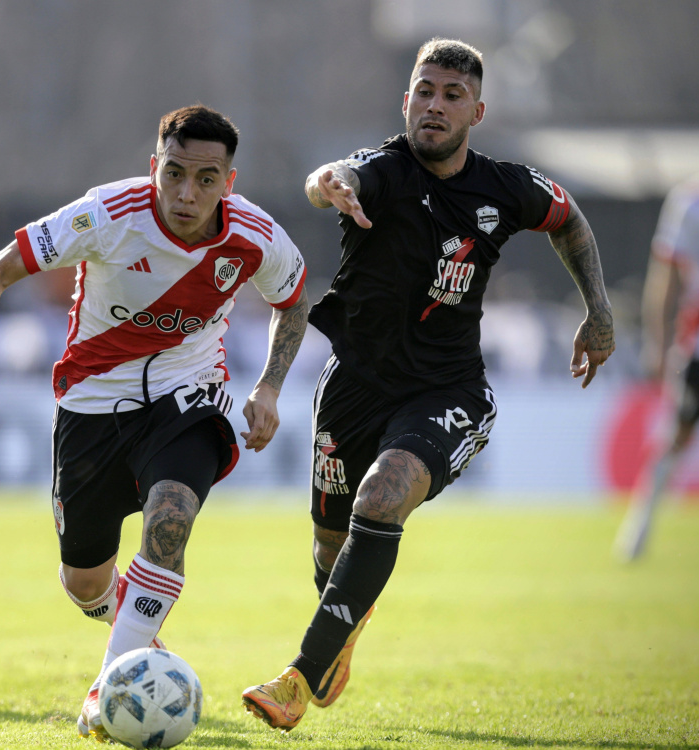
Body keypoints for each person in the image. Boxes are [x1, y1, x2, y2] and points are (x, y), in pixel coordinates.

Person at [241, 38, 615, 731]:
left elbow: (571, 222)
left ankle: (298, 676)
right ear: (405, 100)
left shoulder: (507, 187)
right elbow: (333, 176)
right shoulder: (380, 171)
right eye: (424, 91)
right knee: (329, 547)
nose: (435, 106)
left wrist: (598, 309)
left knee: (382, 497)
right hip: (353, 386)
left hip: (448, 392)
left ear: (477, 111)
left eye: (452, 95)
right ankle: (342, 629)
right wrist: (329, 184)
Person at [0, 104, 309, 739]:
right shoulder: (105, 215)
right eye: (174, 173)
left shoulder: (256, 236)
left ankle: (107, 691)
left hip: (188, 396)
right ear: (153, 166)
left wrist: (269, 386)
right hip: (92, 405)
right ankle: (133, 631)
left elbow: (292, 304)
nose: (187, 194)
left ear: (228, 182)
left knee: (170, 519)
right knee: (83, 582)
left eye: (206, 179)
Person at [614, 107, 699, 562]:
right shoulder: (692, 202)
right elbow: (667, 279)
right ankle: (639, 529)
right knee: (677, 436)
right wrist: (658, 342)